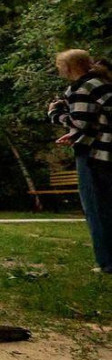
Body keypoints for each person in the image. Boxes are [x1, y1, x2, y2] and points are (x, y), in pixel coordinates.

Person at [48, 49, 112, 274]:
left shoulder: (83, 88)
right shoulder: (100, 83)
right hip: (104, 150)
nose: (59, 70)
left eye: (60, 66)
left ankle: (106, 261)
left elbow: (80, 122)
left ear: (70, 67)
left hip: (95, 154)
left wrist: (55, 114)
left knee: (95, 206)